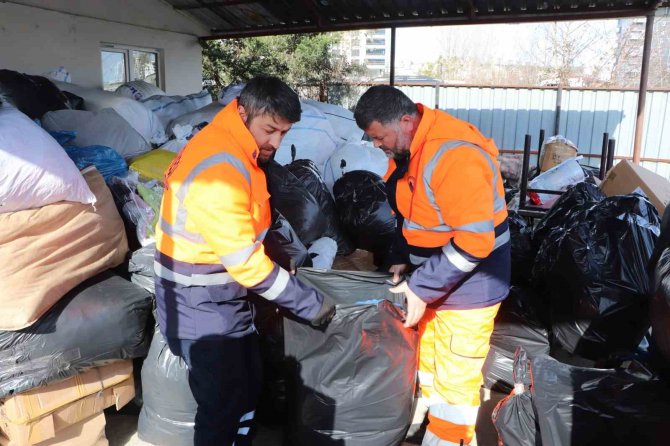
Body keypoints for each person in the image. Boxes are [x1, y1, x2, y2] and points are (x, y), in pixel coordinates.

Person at [154, 76, 336, 446]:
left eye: (284, 133)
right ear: (242, 112)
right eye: (270, 130)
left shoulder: (238, 150)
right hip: (198, 303)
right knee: (223, 406)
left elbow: (245, 225)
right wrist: (311, 303)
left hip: (221, 297)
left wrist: (281, 255)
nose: (275, 142)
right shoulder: (219, 165)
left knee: (249, 384)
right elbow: (245, 262)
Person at [354, 85, 510, 446]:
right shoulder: (410, 148)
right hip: (436, 280)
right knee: (430, 363)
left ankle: (449, 437)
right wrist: (399, 259)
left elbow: (475, 242)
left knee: (455, 379)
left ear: (406, 121)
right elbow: (411, 215)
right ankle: (426, 428)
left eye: (379, 137)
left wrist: (420, 289)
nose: (377, 146)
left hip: (470, 289)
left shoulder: (454, 156)